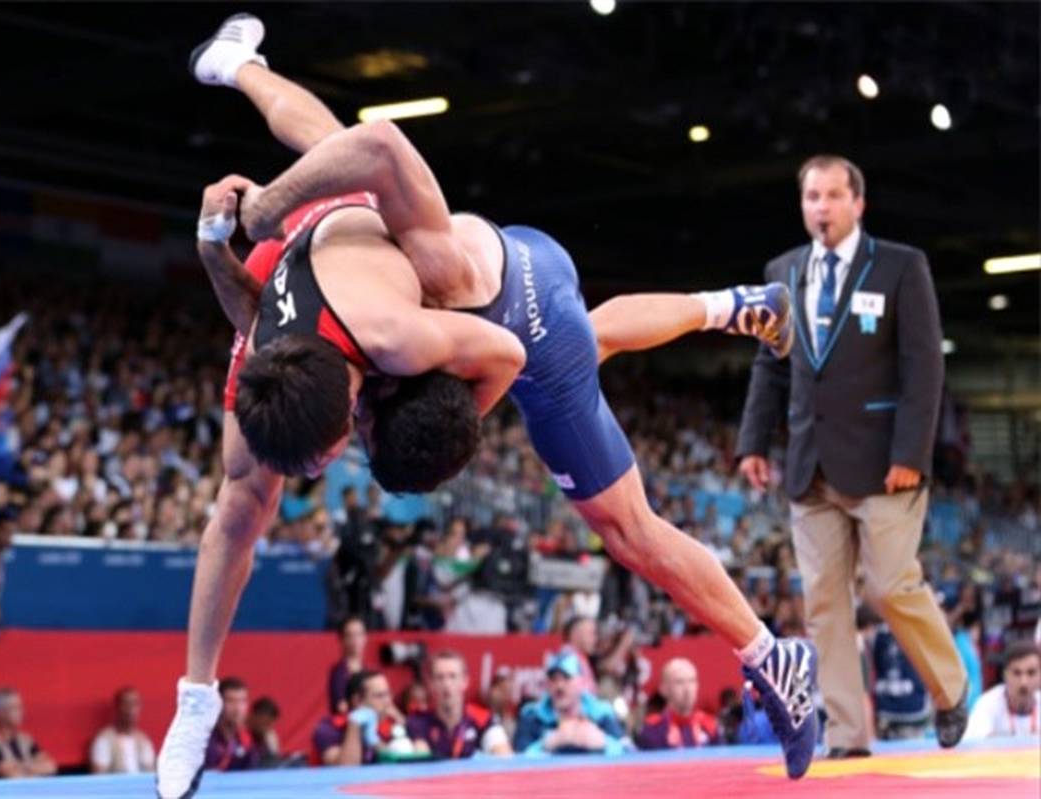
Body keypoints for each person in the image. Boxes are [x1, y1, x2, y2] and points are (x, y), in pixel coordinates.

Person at [158, 14, 814, 796]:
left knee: (624, 524)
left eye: (343, 446)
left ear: (358, 392)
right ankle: (731, 304)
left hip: (523, 312)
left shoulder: (396, 334)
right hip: (392, 257)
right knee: (242, 491)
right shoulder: (278, 336)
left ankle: (771, 653)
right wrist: (214, 246)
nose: (343, 458)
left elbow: (504, 353)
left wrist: (461, 421)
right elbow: (255, 309)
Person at [736, 154, 968, 756]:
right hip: (809, 462)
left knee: (889, 586)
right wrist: (753, 442)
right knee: (823, 602)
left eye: (834, 195)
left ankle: (950, 690)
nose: (822, 207)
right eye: (812, 196)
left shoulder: (899, 266)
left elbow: (924, 366)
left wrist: (912, 450)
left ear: (858, 203)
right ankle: (846, 734)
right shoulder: (782, 271)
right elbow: (770, 365)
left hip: (885, 461)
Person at [513, 651, 630, 756]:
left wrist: (603, 742)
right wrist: (548, 743)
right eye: (553, 679)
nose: (559, 686)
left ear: (581, 682)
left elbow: (629, 753)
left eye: (566, 678)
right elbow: (518, 759)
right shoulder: (532, 716)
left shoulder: (601, 713)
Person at [406, 650, 512, 758]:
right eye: (440, 677)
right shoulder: (418, 721)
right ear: (431, 684)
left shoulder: (483, 719)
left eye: (452, 676)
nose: (446, 684)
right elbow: (420, 758)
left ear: (465, 681)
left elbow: (504, 757)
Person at [311, 670, 401, 766]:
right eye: (379, 696)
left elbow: (398, 765)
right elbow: (346, 768)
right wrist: (354, 724)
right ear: (357, 701)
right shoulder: (329, 728)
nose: (388, 701)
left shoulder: (389, 726)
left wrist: (401, 722)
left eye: (388, 694)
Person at [636, 658, 720, 749]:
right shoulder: (654, 730)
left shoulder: (708, 726)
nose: (688, 689)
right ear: (663, 689)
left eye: (692, 681)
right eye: (679, 682)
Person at [0, 688, 57, 779]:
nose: (21, 712)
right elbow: (11, 775)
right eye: (14, 708)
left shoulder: (26, 740)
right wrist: (32, 767)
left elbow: (50, 767)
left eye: (20, 707)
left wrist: (20, 767)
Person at [965, 641, 1039, 740]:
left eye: (1031, 673)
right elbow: (971, 742)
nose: (1023, 682)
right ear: (1005, 675)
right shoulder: (988, 703)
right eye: (1016, 673)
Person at [89, 687, 156, 775]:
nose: (131, 709)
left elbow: (150, 772)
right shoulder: (104, 739)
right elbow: (99, 776)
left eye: (134, 704)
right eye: (126, 704)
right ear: (117, 707)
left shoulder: (143, 740)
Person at [204, 677, 260, 771]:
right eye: (231, 701)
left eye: (242, 701)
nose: (237, 709)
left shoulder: (247, 740)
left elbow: (253, 772)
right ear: (217, 704)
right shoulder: (204, 738)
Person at [327, 616, 368, 713]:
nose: (355, 640)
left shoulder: (367, 670)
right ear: (341, 640)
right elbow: (341, 707)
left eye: (359, 634)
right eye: (350, 635)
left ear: (365, 637)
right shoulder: (339, 672)